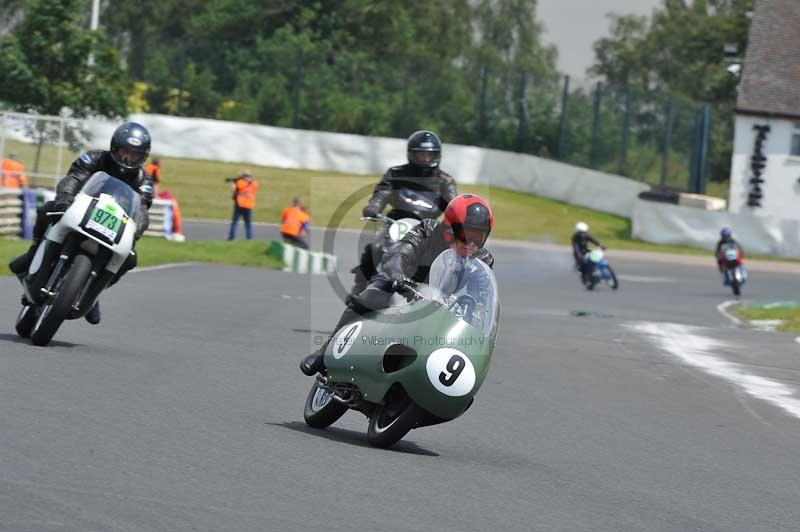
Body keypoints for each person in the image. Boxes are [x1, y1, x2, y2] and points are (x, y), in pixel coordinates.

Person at [300, 193, 494, 377]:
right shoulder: (427, 229)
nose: (471, 242)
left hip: (440, 306)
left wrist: (479, 317)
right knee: (372, 297)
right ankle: (324, 352)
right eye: (466, 234)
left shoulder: (483, 259)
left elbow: (482, 297)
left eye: (478, 237)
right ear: (449, 227)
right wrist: (398, 275)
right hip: (401, 285)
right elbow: (399, 253)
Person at [8, 122, 154, 324]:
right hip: (80, 209)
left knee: (130, 258)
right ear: (114, 148)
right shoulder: (94, 158)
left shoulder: (144, 180)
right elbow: (74, 178)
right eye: (123, 152)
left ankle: (93, 291)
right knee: (48, 209)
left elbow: (142, 209)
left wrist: (135, 231)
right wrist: (65, 198)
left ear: (143, 157)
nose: (127, 158)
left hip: (113, 224)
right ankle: (34, 251)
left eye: (134, 154)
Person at [352, 130, 458, 294]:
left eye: (429, 155)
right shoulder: (396, 173)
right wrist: (374, 206)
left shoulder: (445, 181)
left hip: (427, 229)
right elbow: (382, 193)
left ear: (436, 156)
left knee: (440, 260)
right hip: (395, 222)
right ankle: (359, 290)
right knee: (374, 247)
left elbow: (454, 205)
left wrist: (458, 221)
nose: (425, 159)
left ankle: (437, 297)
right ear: (412, 154)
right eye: (420, 154)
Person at [226, 169, 258, 240]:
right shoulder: (255, 184)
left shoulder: (240, 182)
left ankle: (231, 237)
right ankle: (249, 238)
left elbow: (234, 189)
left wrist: (233, 182)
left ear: (243, 176)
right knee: (248, 224)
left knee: (235, 222)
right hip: (249, 205)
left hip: (239, 204)